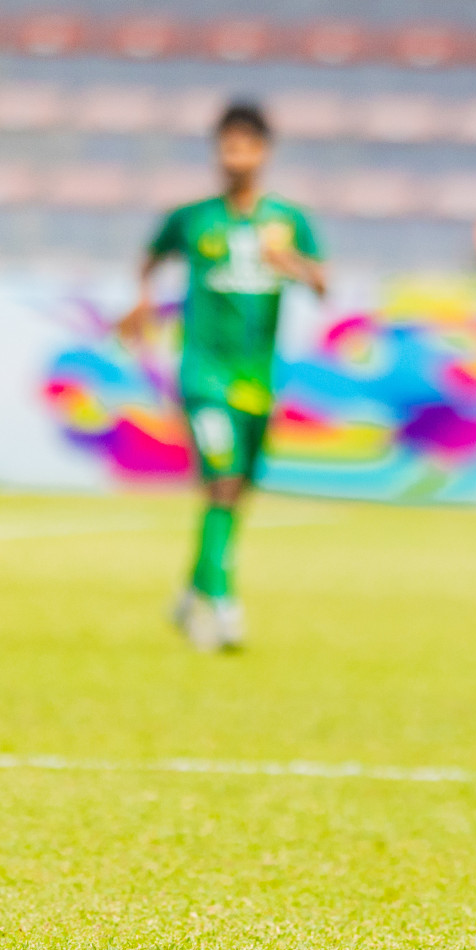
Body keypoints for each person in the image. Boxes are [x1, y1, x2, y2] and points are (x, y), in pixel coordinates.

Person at [119, 101, 326, 652]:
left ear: (264, 152)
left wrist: (296, 267)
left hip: (258, 379)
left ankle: (192, 593)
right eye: (226, 146)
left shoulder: (288, 221)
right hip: (203, 374)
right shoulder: (192, 218)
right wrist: (140, 304)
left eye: (245, 146)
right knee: (222, 481)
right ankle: (223, 602)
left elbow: (325, 284)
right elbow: (149, 258)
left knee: (237, 491)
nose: (235, 157)